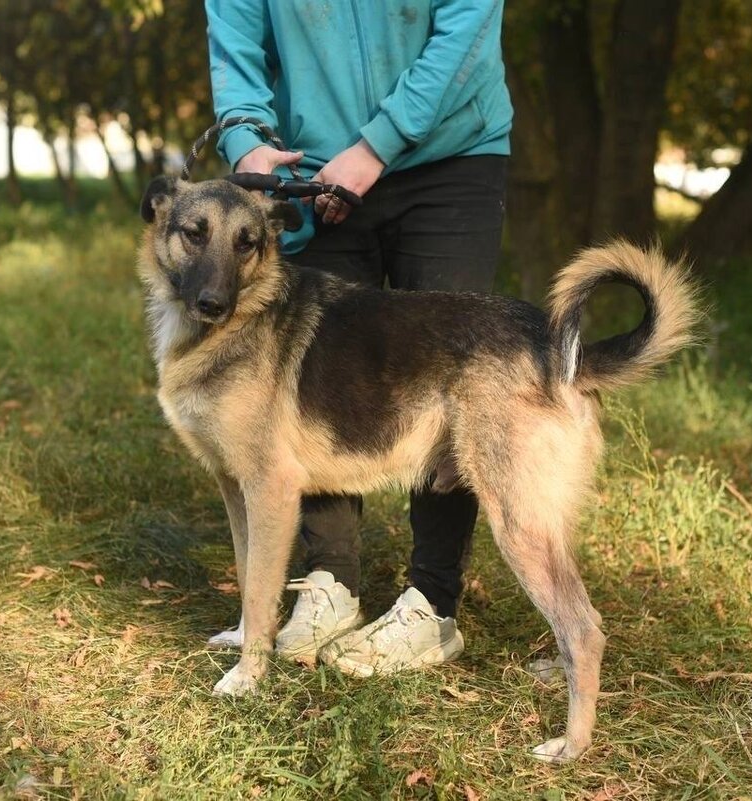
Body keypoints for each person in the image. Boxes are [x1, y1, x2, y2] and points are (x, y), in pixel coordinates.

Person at [205, 0, 512, 676]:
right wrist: (246, 138)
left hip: (451, 154)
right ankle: (330, 581)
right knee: (315, 385)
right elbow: (234, 44)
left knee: (453, 379)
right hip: (317, 173)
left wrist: (379, 143)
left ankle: (431, 604)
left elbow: (468, 24)